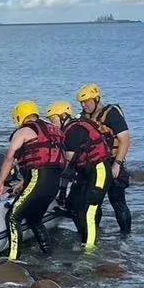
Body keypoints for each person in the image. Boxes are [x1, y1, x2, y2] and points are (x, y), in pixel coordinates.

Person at [0, 101, 62, 260]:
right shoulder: (53, 130)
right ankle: (48, 254)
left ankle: (13, 260)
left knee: (13, 217)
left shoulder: (24, 131)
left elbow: (9, 158)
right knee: (35, 218)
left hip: (39, 179)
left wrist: (0, 183)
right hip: (54, 183)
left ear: (19, 116)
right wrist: (24, 183)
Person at [49, 100, 114, 251]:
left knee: (88, 211)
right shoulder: (70, 129)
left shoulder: (73, 131)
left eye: (54, 120)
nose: (52, 124)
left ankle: (89, 250)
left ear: (64, 116)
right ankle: (86, 234)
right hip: (86, 173)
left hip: (99, 171)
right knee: (72, 204)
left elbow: (68, 161)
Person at [78, 84, 132, 237]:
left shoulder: (112, 114)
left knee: (118, 202)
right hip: (94, 165)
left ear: (96, 99)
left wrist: (117, 165)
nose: (84, 105)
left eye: (87, 101)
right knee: (93, 203)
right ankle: (94, 233)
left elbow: (125, 140)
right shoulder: (83, 116)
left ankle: (125, 236)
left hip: (112, 162)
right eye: (81, 102)